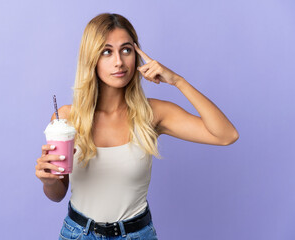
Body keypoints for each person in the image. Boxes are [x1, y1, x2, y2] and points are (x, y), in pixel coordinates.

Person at [35, 13, 239, 240]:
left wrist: (177, 81)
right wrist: (49, 181)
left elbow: (226, 135)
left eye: (126, 50)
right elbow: (56, 195)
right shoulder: (65, 118)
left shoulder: (153, 114)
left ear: (136, 54)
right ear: (91, 58)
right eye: (106, 51)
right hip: (78, 234)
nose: (119, 62)